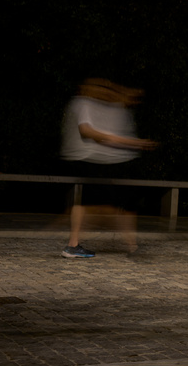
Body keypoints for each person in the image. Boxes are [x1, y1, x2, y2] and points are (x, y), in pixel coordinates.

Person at [60, 78, 157, 258]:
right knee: (97, 206)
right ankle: (73, 245)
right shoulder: (84, 103)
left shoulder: (108, 107)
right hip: (88, 160)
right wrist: (131, 143)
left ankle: (131, 245)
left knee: (107, 205)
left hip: (101, 160)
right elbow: (87, 131)